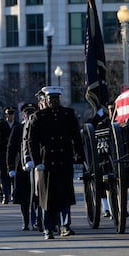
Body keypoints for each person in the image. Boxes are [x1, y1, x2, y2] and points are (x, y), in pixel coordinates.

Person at [27, 86, 83, 239]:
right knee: (47, 197)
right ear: (45, 100)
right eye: (51, 99)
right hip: (47, 162)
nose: (54, 101)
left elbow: (76, 137)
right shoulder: (39, 116)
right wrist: (36, 161)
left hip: (64, 159)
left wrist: (80, 157)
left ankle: (65, 226)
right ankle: (48, 228)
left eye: (56, 98)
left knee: (64, 195)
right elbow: (32, 141)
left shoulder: (68, 114)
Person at [7, 102, 42, 230]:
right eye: (27, 113)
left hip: (37, 166)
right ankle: (26, 221)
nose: (29, 115)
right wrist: (10, 167)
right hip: (21, 168)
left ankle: (38, 219)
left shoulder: (39, 127)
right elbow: (11, 149)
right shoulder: (17, 129)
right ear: (23, 115)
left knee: (37, 196)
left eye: (32, 112)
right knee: (24, 198)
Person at [0, 106, 18, 204]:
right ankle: (5, 194)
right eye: (8, 114)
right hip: (3, 153)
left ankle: (14, 194)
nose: (10, 116)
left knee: (15, 175)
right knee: (4, 175)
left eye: (12, 114)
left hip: (15, 154)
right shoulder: (1, 125)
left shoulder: (17, 125)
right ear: (5, 115)